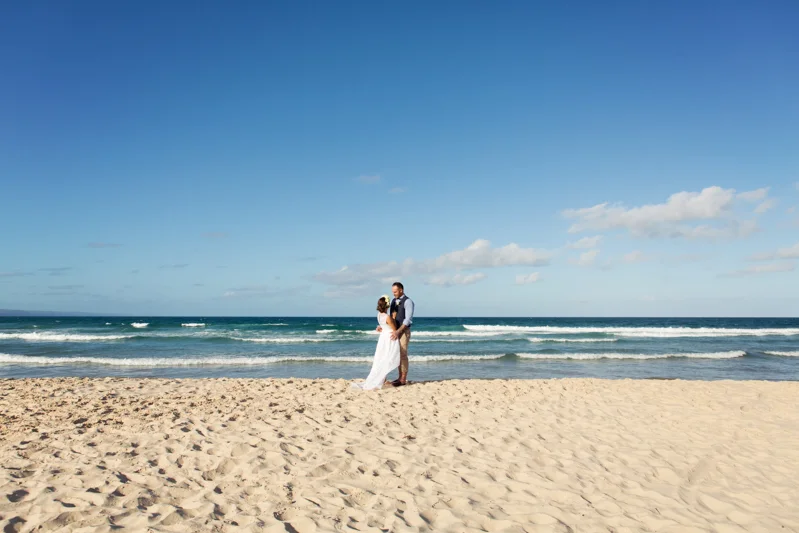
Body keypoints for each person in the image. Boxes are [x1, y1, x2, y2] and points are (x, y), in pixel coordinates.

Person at [351, 295, 400, 390]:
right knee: (388, 358)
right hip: (389, 338)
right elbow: (395, 329)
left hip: (383, 338)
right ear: (387, 306)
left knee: (381, 358)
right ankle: (382, 378)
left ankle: (382, 378)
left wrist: (381, 328)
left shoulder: (378, 315)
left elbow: (384, 326)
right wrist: (394, 318)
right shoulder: (388, 317)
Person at [381, 282, 414, 386]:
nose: (394, 294)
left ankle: (403, 379)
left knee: (403, 354)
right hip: (395, 331)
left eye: (395, 292)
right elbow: (392, 318)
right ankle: (399, 377)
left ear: (401, 290)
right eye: (393, 292)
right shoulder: (394, 302)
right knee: (397, 354)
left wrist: (398, 331)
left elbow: (408, 320)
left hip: (403, 331)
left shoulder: (408, 302)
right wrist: (383, 326)